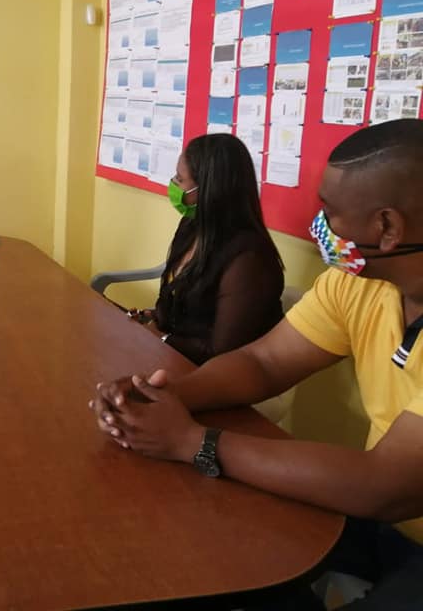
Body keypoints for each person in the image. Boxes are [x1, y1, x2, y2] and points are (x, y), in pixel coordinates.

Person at [93, 119, 423, 610]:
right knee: (214, 552)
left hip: (396, 513)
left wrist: (192, 441)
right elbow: (264, 361)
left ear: (388, 227)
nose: (319, 224)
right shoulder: (356, 284)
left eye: (329, 212)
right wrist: (163, 396)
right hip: (379, 520)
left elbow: (386, 486)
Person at [123, 134, 284, 365]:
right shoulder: (192, 226)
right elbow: (183, 302)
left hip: (214, 374)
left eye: (180, 179)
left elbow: (221, 353)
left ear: (210, 188)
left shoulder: (249, 259)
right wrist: (152, 317)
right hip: (172, 357)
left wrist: (162, 338)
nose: (173, 184)